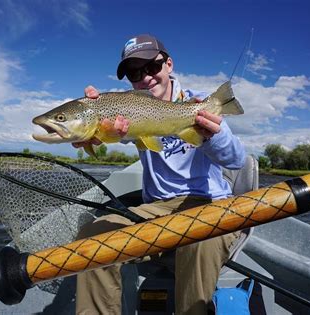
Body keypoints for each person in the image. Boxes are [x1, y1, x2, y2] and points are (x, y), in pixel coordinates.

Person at [73, 34, 246, 315]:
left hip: (208, 205)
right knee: (92, 237)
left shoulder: (198, 104)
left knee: (199, 242)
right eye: (134, 72)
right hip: (155, 209)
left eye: (152, 67)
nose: (146, 78)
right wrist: (91, 131)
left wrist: (210, 136)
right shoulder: (130, 110)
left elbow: (236, 159)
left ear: (168, 64)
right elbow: (112, 131)